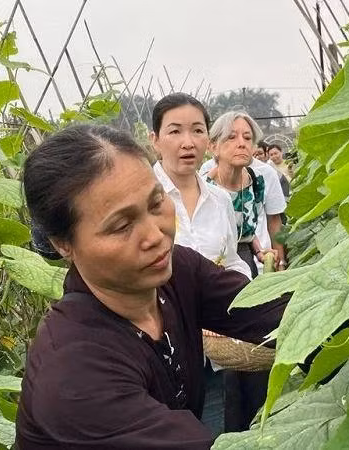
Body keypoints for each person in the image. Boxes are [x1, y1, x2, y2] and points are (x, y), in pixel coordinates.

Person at [15, 124, 287, 449]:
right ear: (63, 244)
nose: (157, 236)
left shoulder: (178, 271)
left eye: (156, 203)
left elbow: (278, 311)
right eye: (121, 225)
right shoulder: (74, 373)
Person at [149, 93, 250, 278]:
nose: (188, 143)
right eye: (175, 131)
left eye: (197, 131)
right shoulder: (140, 200)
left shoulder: (220, 199)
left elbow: (231, 261)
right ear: (155, 140)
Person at [205, 111, 287, 277]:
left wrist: (279, 264)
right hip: (214, 270)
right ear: (214, 146)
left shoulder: (260, 179)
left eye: (248, 138)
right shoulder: (203, 186)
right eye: (231, 137)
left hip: (255, 267)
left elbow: (270, 223)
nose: (241, 144)